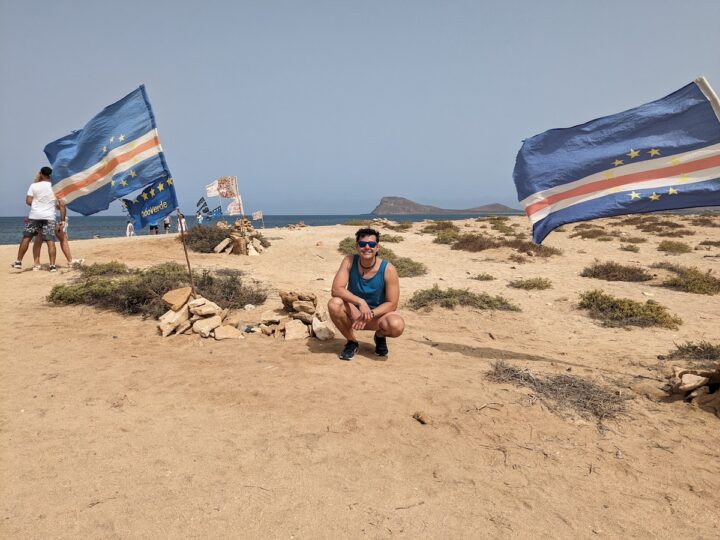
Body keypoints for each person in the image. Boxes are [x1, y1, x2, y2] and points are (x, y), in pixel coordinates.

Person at [328, 228, 405, 360]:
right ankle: (351, 342)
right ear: (357, 247)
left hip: (377, 315)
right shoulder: (349, 261)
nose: (367, 247)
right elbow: (336, 289)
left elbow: (392, 303)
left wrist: (371, 314)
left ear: (377, 247)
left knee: (396, 325)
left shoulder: (388, 269)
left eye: (372, 244)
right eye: (362, 244)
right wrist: (360, 302)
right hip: (354, 313)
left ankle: (380, 336)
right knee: (334, 304)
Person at [11, 167, 65, 272]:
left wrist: (38, 205)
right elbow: (61, 206)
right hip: (49, 217)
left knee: (26, 237)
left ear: (41, 174)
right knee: (50, 241)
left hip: (35, 216)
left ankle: (18, 262)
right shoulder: (56, 187)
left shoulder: (34, 186)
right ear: (50, 175)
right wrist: (62, 220)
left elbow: (28, 201)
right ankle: (52, 266)